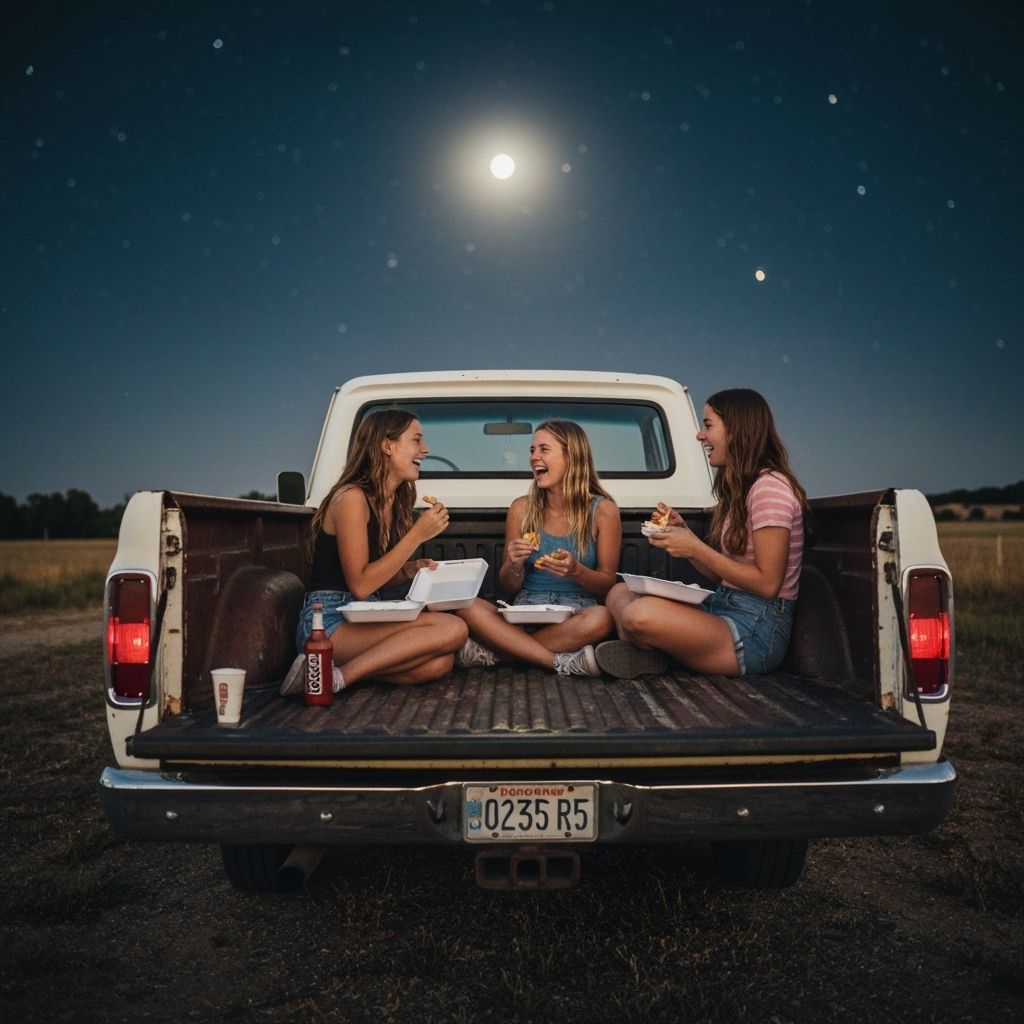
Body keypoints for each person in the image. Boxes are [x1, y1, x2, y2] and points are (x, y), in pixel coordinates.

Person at [596, 388, 811, 679]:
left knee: (638, 615)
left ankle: (654, 654)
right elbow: (723, 576)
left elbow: (767, 584)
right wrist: (686, 538)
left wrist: (696, 549)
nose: (700, 435)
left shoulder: (770, 488)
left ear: (737, 431)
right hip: (723, 605)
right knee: (619, 592)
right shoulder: (742, 489)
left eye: (708, 425)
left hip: (755, 632)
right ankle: (655, 657)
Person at [280, 408, 468, 696]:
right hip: (328, 623)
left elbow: (373, 579)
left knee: (438, 664)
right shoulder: (352, 498)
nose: (425, 449)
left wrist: (408, 570)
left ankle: (325, 673)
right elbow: (360, 585)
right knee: (454, 629)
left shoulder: (395, 500)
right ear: (387, 446)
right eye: (416, 440)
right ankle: (336, 678)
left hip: (364, 613)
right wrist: (417, 534)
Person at [455, 419, 621, 677]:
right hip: (523, 614)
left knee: (603, 618)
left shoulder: (604, 511)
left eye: (544, 449)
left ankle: (496, 653)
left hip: (575, 619)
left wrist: (576, 571)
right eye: (532, 450)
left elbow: (607, 585)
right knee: (467, 606)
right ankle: (560, 662)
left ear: (572, 456)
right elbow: (509, 586)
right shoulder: (520, 508)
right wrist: (513, 564)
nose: (534, 457)